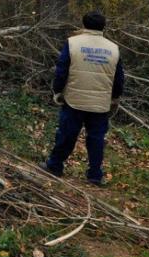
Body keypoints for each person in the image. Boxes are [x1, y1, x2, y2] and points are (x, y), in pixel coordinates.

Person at [39, 11, 124, 186]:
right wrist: (114, 97)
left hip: (74, 100)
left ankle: (55, 166)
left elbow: (62, 70)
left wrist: (57, 90)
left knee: (67, 135)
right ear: (103, 26)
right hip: (100, 104)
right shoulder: (113, 49)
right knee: (96, 139)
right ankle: (94, 175)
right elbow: (119, 78)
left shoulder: (72, 43)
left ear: (83, 24)